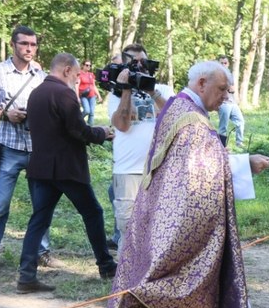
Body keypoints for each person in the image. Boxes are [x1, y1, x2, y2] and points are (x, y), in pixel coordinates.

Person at [106, 60, 269, 308]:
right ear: (201, 83)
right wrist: (244, 165)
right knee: (201, 277)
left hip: (155, 213)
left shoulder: (177, 107)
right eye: (222, 89)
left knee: (148, 279)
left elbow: (195, 163)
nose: (225, 97)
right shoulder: (191, 121)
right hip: (180, 220)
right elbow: (200, 171)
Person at [16, 53, 116, 293]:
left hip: (41, 168)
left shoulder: (36, 93)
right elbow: (78, 130)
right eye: (77, 73)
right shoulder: (64, 94)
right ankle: (106, 265)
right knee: (93, 212)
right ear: (67, 70)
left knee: (39, 220)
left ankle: (26, 276)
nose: (78, 78)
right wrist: (102, 132)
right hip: (67, 169)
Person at [0, 25, 57, 280]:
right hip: (8, 149)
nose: (29, 48)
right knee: (0, 206)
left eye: (33, 44)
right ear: (13, 45)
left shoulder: (40, 74)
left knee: (42, 205)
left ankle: (43, 251)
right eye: (24, 44)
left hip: (37, 149)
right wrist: (5, 114)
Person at [108, 43, 173, 245]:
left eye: (143, 61)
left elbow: (173, 117)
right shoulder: (115, 94)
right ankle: (127, 276)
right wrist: (126, 89)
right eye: (134, 63)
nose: (140, 66)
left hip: (159, 168)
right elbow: (122, 125)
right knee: (129, 230)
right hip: (128, 171)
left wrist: (152, 91)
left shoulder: (163, 89)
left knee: (159, 226)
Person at [217, 55, 244, 147]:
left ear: (228, 64)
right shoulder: (217, 75)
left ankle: (239, 143)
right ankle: (221, 146)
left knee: (240, 121)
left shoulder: (229, 75)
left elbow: (232, 89)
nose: (224, 64)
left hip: (232, 102)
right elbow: (228, 88)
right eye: (222, 63)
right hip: (223, 103)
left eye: (225, 63)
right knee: (223, 127)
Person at [78, 59, 99, 125]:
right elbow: (76, 85)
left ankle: (90, 127)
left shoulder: (91, 74)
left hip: (92, 95)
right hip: (83, 95)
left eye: (90, 65)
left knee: (92, 113)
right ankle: (77, 120)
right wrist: (77, 96)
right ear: (83, 65)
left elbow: (94, 86)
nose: (88, 66)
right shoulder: (79, 74)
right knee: (87, 111)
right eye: (87, 65)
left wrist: (99, 96)